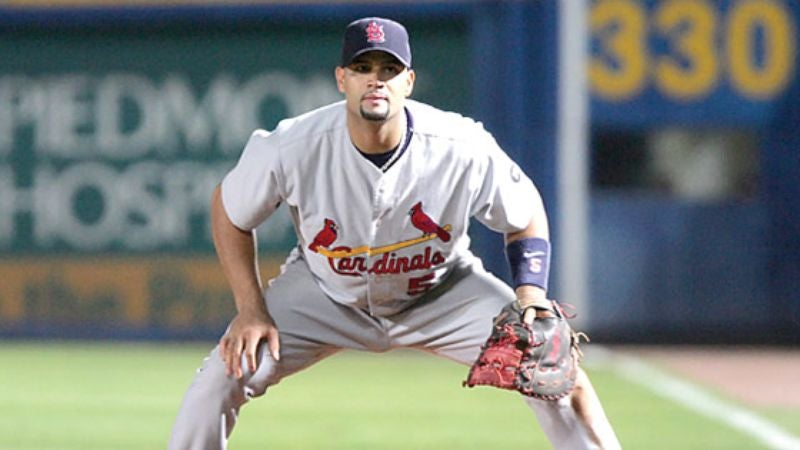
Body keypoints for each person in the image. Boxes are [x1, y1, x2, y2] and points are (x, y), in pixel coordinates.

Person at [169, 17, 620, 449]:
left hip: (443, 293)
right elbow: (228, 212)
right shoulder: (292, 146)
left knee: (556, 371)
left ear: (409, 81)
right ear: (341, 79)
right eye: (363, 68)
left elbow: (525, 216)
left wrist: (531, 296)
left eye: (390, 69)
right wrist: (250, 309)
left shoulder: (461, 147)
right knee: (221, 378)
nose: (375, 79)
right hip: (325, 294)